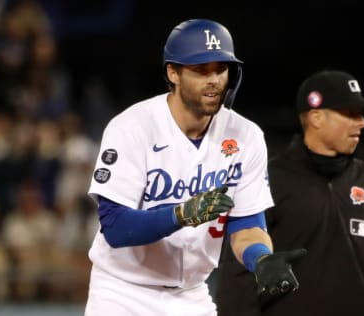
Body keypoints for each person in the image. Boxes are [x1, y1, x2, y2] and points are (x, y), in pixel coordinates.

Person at [83, 19, 306, 316]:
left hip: (191, 295)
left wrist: (260, 258)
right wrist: (181, 215)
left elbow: (246, 224)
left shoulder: (246, 135)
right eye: (201, 70)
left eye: (220, 69)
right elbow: (115, 227)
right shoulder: (132, 127)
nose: (213, 79)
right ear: (172, 73)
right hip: (122, 292)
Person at [216, 70, 364, 316]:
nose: (362, 122)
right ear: (316, 117)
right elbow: (239, 271)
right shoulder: (272, 178)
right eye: (350, 113)